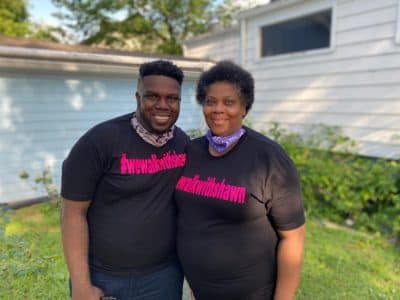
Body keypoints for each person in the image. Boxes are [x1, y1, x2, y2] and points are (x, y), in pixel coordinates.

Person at [175, 61, 306, 300]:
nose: (218, 109)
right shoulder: (192, 151)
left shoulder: (268, 158)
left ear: (244, 107)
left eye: (229, 102)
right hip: (201, 291)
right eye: (210, 101)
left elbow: (293, 237)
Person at [61, 60, 189, 300]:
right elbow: (72, 214)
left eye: (172, 98)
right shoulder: (99, 142)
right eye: (152, 96)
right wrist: (80, 284)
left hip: (163, 277)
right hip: (104, 278)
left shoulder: (182, 144)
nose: (163, 105)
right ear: (137, 97)